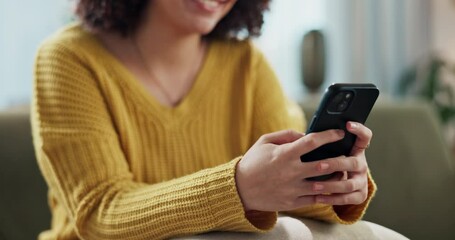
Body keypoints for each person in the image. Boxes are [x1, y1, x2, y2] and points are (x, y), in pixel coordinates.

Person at [31, 0, 403, 239]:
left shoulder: (247, 65)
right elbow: (99, 213)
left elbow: (283, 194)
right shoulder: (68, 58)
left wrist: (333, 185)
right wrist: (237, 188)